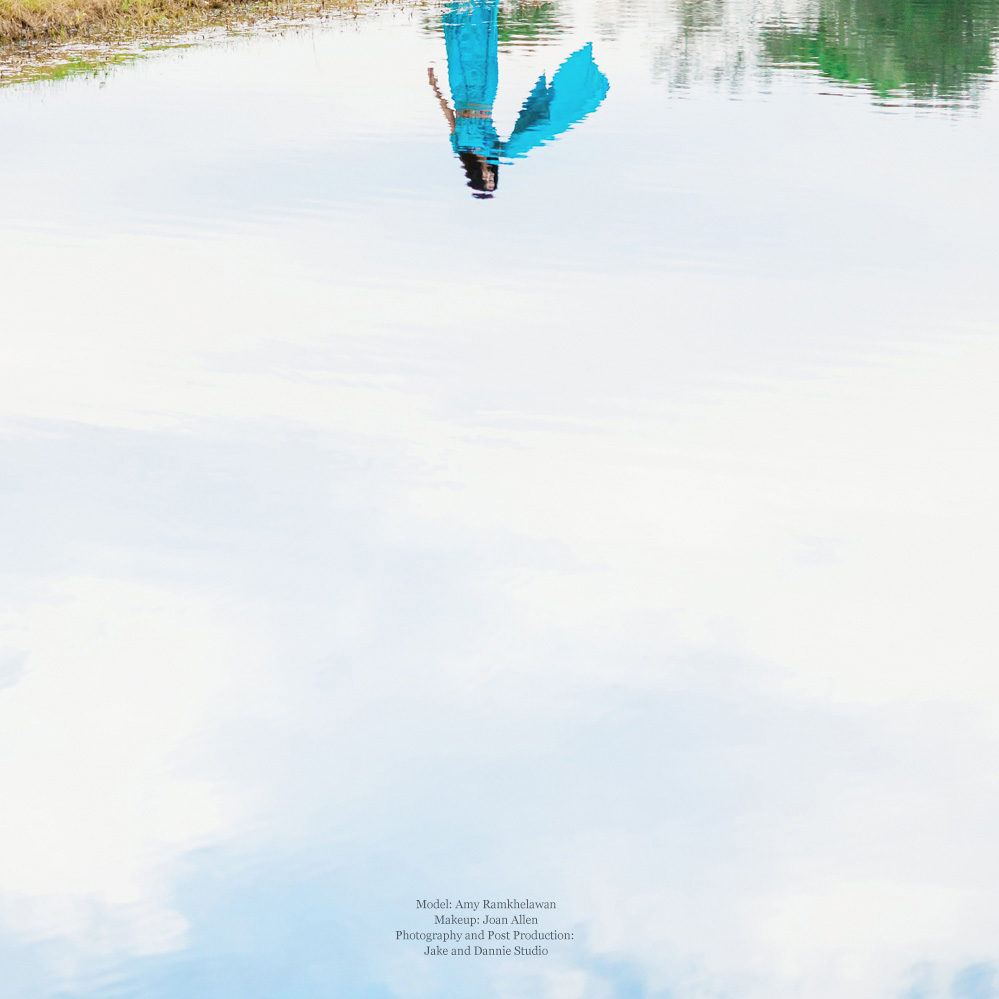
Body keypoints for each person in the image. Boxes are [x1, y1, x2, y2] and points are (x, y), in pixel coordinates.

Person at [429, 0, 610, 197]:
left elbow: (449, 116)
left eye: (487, 181)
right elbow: (526, 139)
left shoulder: (461, 149)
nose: (489, 177)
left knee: (457, 46)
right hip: (484, 94)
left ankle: (462, 8)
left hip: (461, 92)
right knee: (482, 45)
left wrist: (434, 85)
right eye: (492, 180)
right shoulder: (497, 153)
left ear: (476, 179)